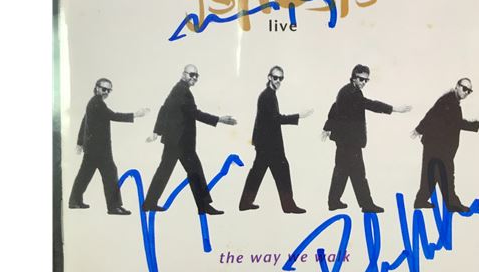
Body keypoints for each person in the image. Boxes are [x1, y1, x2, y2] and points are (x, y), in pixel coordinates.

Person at [143, 65, 237, 215]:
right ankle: (204, 206)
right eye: (191, 74)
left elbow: (164, 109)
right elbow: (194, 113)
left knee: (167, 171)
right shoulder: (183, 91)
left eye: (196, 76)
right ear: (183, 74)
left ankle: (149, 203)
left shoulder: (177, 89)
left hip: (174, 140)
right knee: (195, 172)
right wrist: (219, 119)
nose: (194, 78)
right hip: (182, 142)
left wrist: (157, 131)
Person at [323, 65, 411, 213]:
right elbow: (370, 104)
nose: (364, 82)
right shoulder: (352, 93)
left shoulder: (346, 90)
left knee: (341, 171)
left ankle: (333, 202)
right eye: (361, 79)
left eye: (366, 80)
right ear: (354, 78)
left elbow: (334, 107)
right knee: (358, 173)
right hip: (350, 142)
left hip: (344, 140)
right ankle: (366, 205)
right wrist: (394, 109)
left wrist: (327, 127)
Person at [412, 78, 479, 212]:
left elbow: (433, 115)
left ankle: (420, 201)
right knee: (447, 174)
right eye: (464, 88)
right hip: (438, 146)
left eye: (469, 91)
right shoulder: (449, 102)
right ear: (457, 86)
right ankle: (453, 204)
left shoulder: (449, 100)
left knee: (431, 173)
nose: (466, 92)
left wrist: (419, 129)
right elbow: (457, 123)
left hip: (434, 144)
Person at [69, 78, 149, 215]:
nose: (106, 92)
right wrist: (135, 115)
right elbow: (113, 115)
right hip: (99, 149)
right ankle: (113, 207)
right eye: (104, 89)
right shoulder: (97, 103)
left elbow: (84, 121)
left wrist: (80, 143)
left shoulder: (93, 102)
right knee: (110, 174)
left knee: (85, 174)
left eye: (109, 90)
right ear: (97, 88)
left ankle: (74, 201)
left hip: (93, 147)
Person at [239, 66, 313, 214]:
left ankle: (245, 203)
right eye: (275, 78)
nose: (278, 81)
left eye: (281, 78)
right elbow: (276, 119)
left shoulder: (269, 95)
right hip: (269, 145)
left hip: (265, 143)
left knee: (258, 172)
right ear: (269, 77)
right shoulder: (267, 96)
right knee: (280, 171)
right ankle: (288, 206)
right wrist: (299, 116)